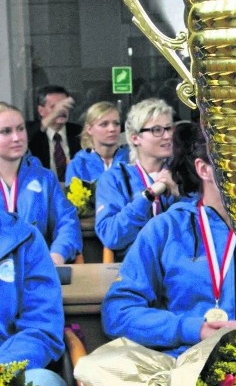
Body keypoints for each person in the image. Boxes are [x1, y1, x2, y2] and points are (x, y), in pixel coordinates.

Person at [102, 122, 236, 378]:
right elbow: (118, 313)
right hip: (188, 370)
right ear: (204, 169)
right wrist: (193, 329)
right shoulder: (166, 229)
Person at [0, 210, 71, 386]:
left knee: (43, 384)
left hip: (8, 367)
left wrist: (3, 368)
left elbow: (41, 326)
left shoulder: (26, 238)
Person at [94, 98, 179, 257]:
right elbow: (111, 236)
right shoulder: (114, 179)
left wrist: (177, 194)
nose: (167, 136)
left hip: (177, 267)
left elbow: (202, 227)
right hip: (134, 269)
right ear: (135, 138)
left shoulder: (183, 173)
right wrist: (147, 196)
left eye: (169, 128)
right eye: (157, 130)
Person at [0, 103, 82, 266]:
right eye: (6, 131)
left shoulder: (45, 178)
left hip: (37, 271)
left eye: (21, 129)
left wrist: (58, 254)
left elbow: (67, 222)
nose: (17, 138)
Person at [27, 85, 82, 182]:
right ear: (41, 110)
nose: (61, 110)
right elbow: (27, 141)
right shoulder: (33, 132)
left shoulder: (78, 132)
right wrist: (52, 115)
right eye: (54, 107)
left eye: (64, 106)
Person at [64, 101, 128, 184]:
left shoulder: (132, 159)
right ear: (89, 129)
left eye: (116, 123)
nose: (112, 129)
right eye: (104, 124)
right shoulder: (78, 164)